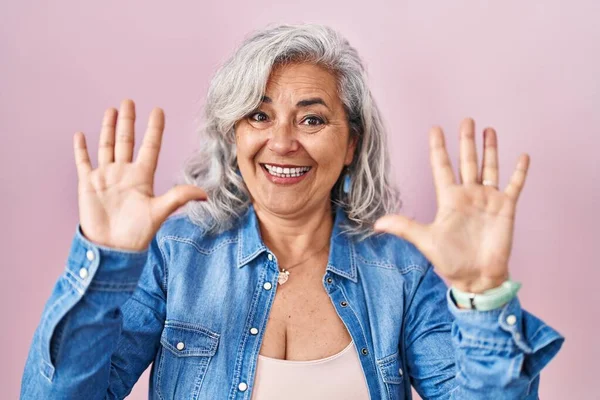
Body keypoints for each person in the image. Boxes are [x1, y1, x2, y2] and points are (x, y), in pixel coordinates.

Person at [20, 24, 563, 399]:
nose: (281, 142)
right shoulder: (174, 254)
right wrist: (107, 262)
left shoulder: (400, 272)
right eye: (258, 115)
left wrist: (483, 294)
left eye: (311, 120)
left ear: (351, 144)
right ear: (232, 136)